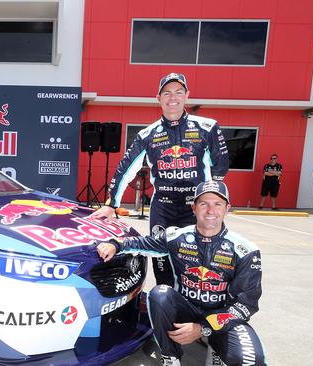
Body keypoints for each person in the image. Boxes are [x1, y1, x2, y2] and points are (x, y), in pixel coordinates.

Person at [97, 180, 265, 366]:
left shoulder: (245, 250)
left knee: (251, 361)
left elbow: (245, 304)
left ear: (227, 208)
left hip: (222, 317)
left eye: (217, 204)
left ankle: (215, 346)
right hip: (186, 309)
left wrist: (203, 329)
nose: (210, 210)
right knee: (159, 294)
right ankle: (171, 357)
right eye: (204, 204)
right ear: (193, 208)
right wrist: (116, 244)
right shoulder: (177, 237)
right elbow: (142, 244)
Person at [91, 72, 230, 287]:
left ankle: (196, 311)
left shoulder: (207, 127)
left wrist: (211, 203)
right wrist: (112, 204)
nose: (172, 97)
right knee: (162, 263)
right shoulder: (147, 134)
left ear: (186, 96)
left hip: (196, 208)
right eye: (167, 93)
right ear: (158, 98)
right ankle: (165, 305)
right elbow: (125, 169)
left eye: (178, 92)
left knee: (200, 264)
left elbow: (220, 167)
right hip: (163, 209)